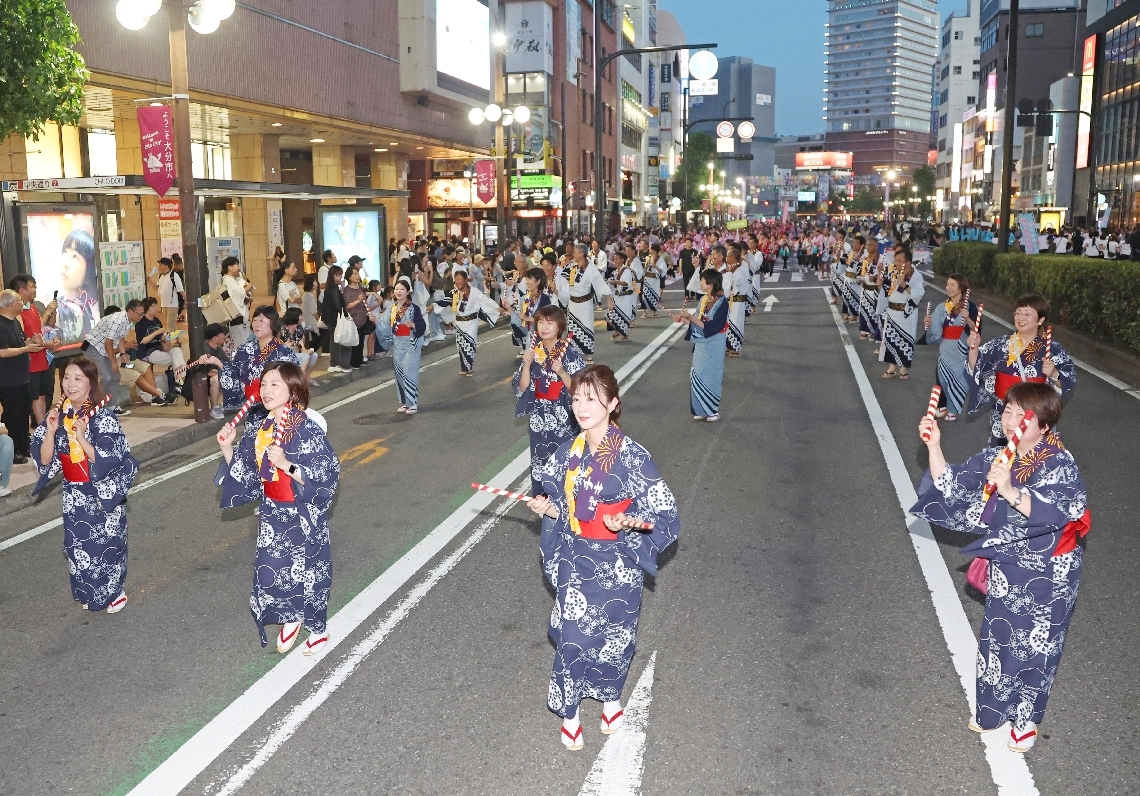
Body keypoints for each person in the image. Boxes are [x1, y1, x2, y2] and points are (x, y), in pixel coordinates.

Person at [911, 382, 1088, 753]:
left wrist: (1009, 491)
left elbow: (1059, 511)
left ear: (1043, 425)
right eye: (1007, 410)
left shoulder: (1060, 463)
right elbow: (953, 485)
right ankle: (992, 711)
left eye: (1021, 415)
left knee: (1036, 646)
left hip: (1049, 572)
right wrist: (934, 445)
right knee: (999, 637)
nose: (1010, 419)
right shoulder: (999, 455)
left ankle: (1025, 721)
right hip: (1009, 564)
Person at [527, 365, 680, 751]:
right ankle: (571, 713)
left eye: (592, 398)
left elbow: (666, 516)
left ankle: (611, 698)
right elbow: (565, 510)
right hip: (576, 559)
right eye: (577, 397)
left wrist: (628, 523)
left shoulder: (632, 456)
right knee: (573, 638)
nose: (581, 405)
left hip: (617, 563)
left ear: (613, 404)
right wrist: (548, 511)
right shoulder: (566, 454)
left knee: (615, 639)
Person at [216, 361, 340, 655]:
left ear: (292, 388)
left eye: (276, 384)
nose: (267, 390)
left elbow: (326, 473)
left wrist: (287, 464)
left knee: (308, 570)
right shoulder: (260, 426)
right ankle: (290, 616)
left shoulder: (306, 426)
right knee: (273, 569)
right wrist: (227, 447)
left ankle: (318, 628)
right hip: (272, 511)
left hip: (302, 511)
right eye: (264, 384)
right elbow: (246, 472)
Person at [32, 356, 139, 612]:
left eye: (78, 378)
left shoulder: (102, 417)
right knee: (78, 546)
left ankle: (114, 591)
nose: (70, 384)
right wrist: (50, 430)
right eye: (66, 378)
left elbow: (109, 458)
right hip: (74, 492)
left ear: (91, 383)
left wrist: (81, 436)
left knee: (107, 544)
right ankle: (91, 592)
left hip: (101, 491)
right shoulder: (58, 415)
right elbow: (46, 460)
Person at [967, 295, 1076, 446]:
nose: (1021, 317)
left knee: (1033, 462)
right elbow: (977, 367)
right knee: (1002, 460)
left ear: (1041, 320)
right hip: (1005, 413)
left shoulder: (1052, 348)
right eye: (1018, 312)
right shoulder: (1001, 344)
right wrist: (974, 348)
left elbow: (1068, 382)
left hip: (1035, 413)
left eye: (1027, 314)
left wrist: (1054, 374)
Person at [514, 305, 587, 497]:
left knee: (565, 458)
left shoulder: (569, 352)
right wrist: (527, 366)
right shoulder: (534, 352)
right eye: (540, 322)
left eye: (550, 322)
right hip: (539, 416)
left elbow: (579, 389)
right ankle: (543, 499)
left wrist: (562, 372)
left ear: (559, 326)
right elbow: (523, 388)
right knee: (540, 459)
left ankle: (567, 500)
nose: (544, 327)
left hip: (564, 416)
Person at [210, 305, 299, 415]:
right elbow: (235, 374)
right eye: (255, 320)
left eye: (262, 320)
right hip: (251, 410)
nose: (257, 324)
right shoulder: (245, 348)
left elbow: (295, 382)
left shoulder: (284, 353)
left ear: (273, 323)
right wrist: (218, 362)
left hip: (277, 410)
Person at [672, 269, 729, 422]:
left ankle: (713, 411)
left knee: (712, 376)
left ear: (709, 283)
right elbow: (698, 321)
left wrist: (690, 317)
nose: (700, 283)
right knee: (698, 375)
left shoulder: (722, 302)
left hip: (714, 342)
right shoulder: (704, 299)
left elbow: (714, 326)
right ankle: (701, 409)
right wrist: (684, 319)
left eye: (702, 281)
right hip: (702, 344)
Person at [0, 289, 45, 463]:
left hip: (22, 376)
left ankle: (24, 444)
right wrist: (26, 349)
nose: (22, 304)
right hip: (7, 378)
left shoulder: (15, 323)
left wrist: (32, 341)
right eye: (19, 301)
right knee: (13, 413)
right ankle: (13, 450)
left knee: (23, 411)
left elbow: (21, 342)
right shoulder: (1, 324)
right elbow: (3, 352)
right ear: (11, 304)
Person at [9, 275, 60, 425]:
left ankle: (42, 427)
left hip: (41, 357)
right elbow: (25, 338)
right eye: (31, 287)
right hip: (28, 361)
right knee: (31, 398)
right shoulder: (16, 312)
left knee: (42, 395)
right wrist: (46, 344)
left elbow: (40, 330)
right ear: (21, 290)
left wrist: (48, 343)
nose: (34, 290)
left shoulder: (32, 306)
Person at [926, 274, 978, 420]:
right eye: (947, 284)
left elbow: (976, 329)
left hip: (961, 346)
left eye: (952, 285)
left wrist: (967, 318)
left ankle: (953, 409)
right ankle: (942, 405)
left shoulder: (970, 306)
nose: (948, 287)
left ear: (961, 287)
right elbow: (936, 327)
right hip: (945, 345)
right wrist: (930, 323)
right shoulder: (943, 306)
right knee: (941, 374)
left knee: (958, 377)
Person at [432, 267, 500, 375]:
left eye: (460, 279)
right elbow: (445, 301)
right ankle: (464, 368)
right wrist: (433, 305)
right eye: (456, 279)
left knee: (469, 345)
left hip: (471, 322)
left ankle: (469, 367)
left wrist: (498, 308)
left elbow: (485, 300)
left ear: (466, 280)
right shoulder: (454, 293)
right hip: (459, 323)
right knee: (461, 346)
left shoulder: (474, 292)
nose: (458, 282)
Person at [880, 247, 925, 379]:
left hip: (907, 314)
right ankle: (892, 367)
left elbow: (919, 294)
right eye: (896, 260)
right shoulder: (893, 272)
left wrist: (905, 285)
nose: (897, 263)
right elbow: (885, 288)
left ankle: (903, 368)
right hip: (892, 312)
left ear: (908, 262)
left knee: (905, 340)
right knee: (891, 339)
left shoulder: (917, 276)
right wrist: (879, 281)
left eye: (900, 261)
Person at [565, 244, 614, 364]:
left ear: (581, 253)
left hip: (584, 303)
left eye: (575, 252)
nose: (573, 254)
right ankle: (574, 354)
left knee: (586, 327)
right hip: (572, 303)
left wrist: (608, 299)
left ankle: (589, 355)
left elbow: (600, 283)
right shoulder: (572, 266)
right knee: (572, 329)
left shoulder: (591, 268)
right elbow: (562, 278)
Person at [134, 297, 186, 401]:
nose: (155, 308)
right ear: (146, 308)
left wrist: (166, 338)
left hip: (161, 350)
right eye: (153, 306)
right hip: (149, 353)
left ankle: (179, 380)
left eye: (156, 306)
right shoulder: (141, 323)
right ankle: (180, 380)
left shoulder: (157, 321)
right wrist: (157, 332)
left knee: (177, 351)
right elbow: (142, 341)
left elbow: (165, 345)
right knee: (177, 359)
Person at [54, 229, 101, 344]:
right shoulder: (55, 305)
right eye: (65, 251)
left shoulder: (93, 308)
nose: (65, 264)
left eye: (75, 256)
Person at [389, 277, 426, 414]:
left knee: (410, 372)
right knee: (399, 373)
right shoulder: (391, 309)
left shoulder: (413, 308)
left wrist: (414, 325)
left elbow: (422, 326)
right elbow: (384, 326)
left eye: (402, 289)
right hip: (397, 344)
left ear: (408, 291)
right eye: (396, 289)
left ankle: (413, 403)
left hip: (410, 344)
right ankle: (405, 402)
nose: (399, 292)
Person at [341, 267, 372, 368]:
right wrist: (358, 300)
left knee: (361, 340)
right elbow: (347, 306)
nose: (357, 276)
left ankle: (359, 360)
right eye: (354, 274)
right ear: (349, 277)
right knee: (355, 342)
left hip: (362, 317)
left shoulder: (360, 288)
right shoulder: (347, 290)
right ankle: (353, 362)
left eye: (357, 273)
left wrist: (368, 312)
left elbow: (364, 301)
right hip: (353, 319)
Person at [220, 256, 252, 348]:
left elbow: (236, 297)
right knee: (241, 345)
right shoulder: (228, 280)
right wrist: (247, 288)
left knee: (243, 342)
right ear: (229, 267)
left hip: (239, 319)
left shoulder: (231, 280)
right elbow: (238, 294)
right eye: (236, 265)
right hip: (236, 319)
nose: (239, 268)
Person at [148, 257, 185, 333]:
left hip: (173, 305)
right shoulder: (161, 276)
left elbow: (180, 290)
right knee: (172, 325)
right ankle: (177, 340)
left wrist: (186, 301)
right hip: (163, 305)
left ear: (166, 265)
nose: (159, 266)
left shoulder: (174, 275)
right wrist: (150, 282)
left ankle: (170, 342)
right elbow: (158, 288)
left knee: (170, 325)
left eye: (160, 264)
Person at [606, 251, 636, 342]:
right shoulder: (615, 272)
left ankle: (623, 333)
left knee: (622, 315)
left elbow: (626, 283)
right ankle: (619, 331)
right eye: (614, 259)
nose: (615, 260)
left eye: (617, 259)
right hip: (617, 297)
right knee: (611, 315)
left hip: (625, 297)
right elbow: (610, 281)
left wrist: (616, 282)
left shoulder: (626, 270)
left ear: (622, 260)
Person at [279, 307, 319, 375]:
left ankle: (307, 378)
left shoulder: (300, 330)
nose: (302, 318)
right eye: (300, 315)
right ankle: (300, 379)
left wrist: (307, 352)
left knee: (314, 355)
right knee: (305, 357)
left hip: (296, 352)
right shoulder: (282, 330)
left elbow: (302, 346)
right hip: (284, 354)